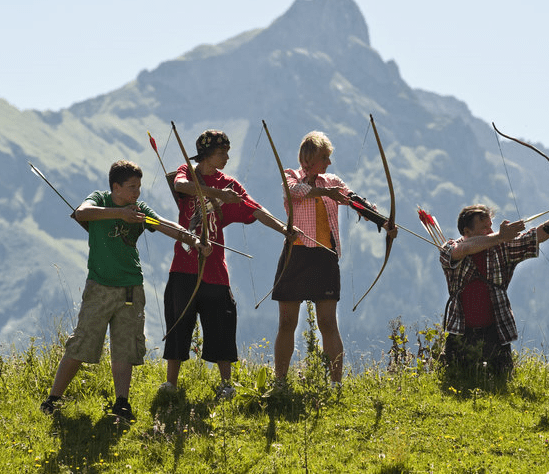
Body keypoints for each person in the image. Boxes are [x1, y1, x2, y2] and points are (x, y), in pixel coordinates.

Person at [40, 160, 209, 420]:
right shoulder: (100, 200)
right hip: (99, 287)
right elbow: (82, 212)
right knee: (82, 343)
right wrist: (119, 214)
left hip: (131, 288)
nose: (137, 192)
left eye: (139, 187)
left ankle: (121, 403)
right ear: (115, 187)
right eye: (132, 187)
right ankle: (53, 399)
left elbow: (164, 224)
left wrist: (194, 239)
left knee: (125, 346)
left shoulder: (139, 210)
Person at [161, 129, 297, 399]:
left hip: (214, 270)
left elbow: (255, 209)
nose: (226, 157)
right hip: (184, 266)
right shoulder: (188, 173)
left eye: (227, 152)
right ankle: (170, 385)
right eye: (221, 152)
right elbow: (180, 186)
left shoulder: (230, 185)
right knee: (178, 324)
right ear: (206, 154)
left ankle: (226, 385)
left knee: (222, 326)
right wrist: (217, 194)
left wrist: (284, 228)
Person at [272, 131, 398, 388]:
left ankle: (335, 384)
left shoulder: (333, 181)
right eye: (324, 157)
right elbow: (295, 192)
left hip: (325, 257)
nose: (329, 162)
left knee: (328, 322)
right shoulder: (291, 176)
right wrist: (326, 192)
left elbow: (355, 201)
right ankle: (280, 382)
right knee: (287, 322)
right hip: (296, 254)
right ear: (309, 159)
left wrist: (384, 222)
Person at [439, 200, 549, 378]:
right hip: (461, 332)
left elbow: (536, 236)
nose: (490, 231)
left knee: (501, 381)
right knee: (455, 378)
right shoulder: (449, 249)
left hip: (495, 332)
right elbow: (464, 249)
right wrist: (500, 236)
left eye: (490, 226)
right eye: (484, 228)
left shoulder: (503, 247)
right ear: (467, 231)